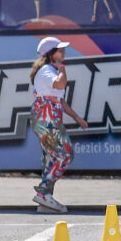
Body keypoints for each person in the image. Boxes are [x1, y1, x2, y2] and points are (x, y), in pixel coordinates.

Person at [29, 36, 88, 211]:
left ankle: (45, 200)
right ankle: (44, 193)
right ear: (51, 53)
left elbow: (60, 101)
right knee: (65, 153)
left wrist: (77, 118)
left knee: (51, 156)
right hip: (46, 115)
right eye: (60, 49)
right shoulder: (47, 69)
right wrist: (62, 68)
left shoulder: (50, 70)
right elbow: (60, 85)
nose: (63, 52)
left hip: (48, 114)